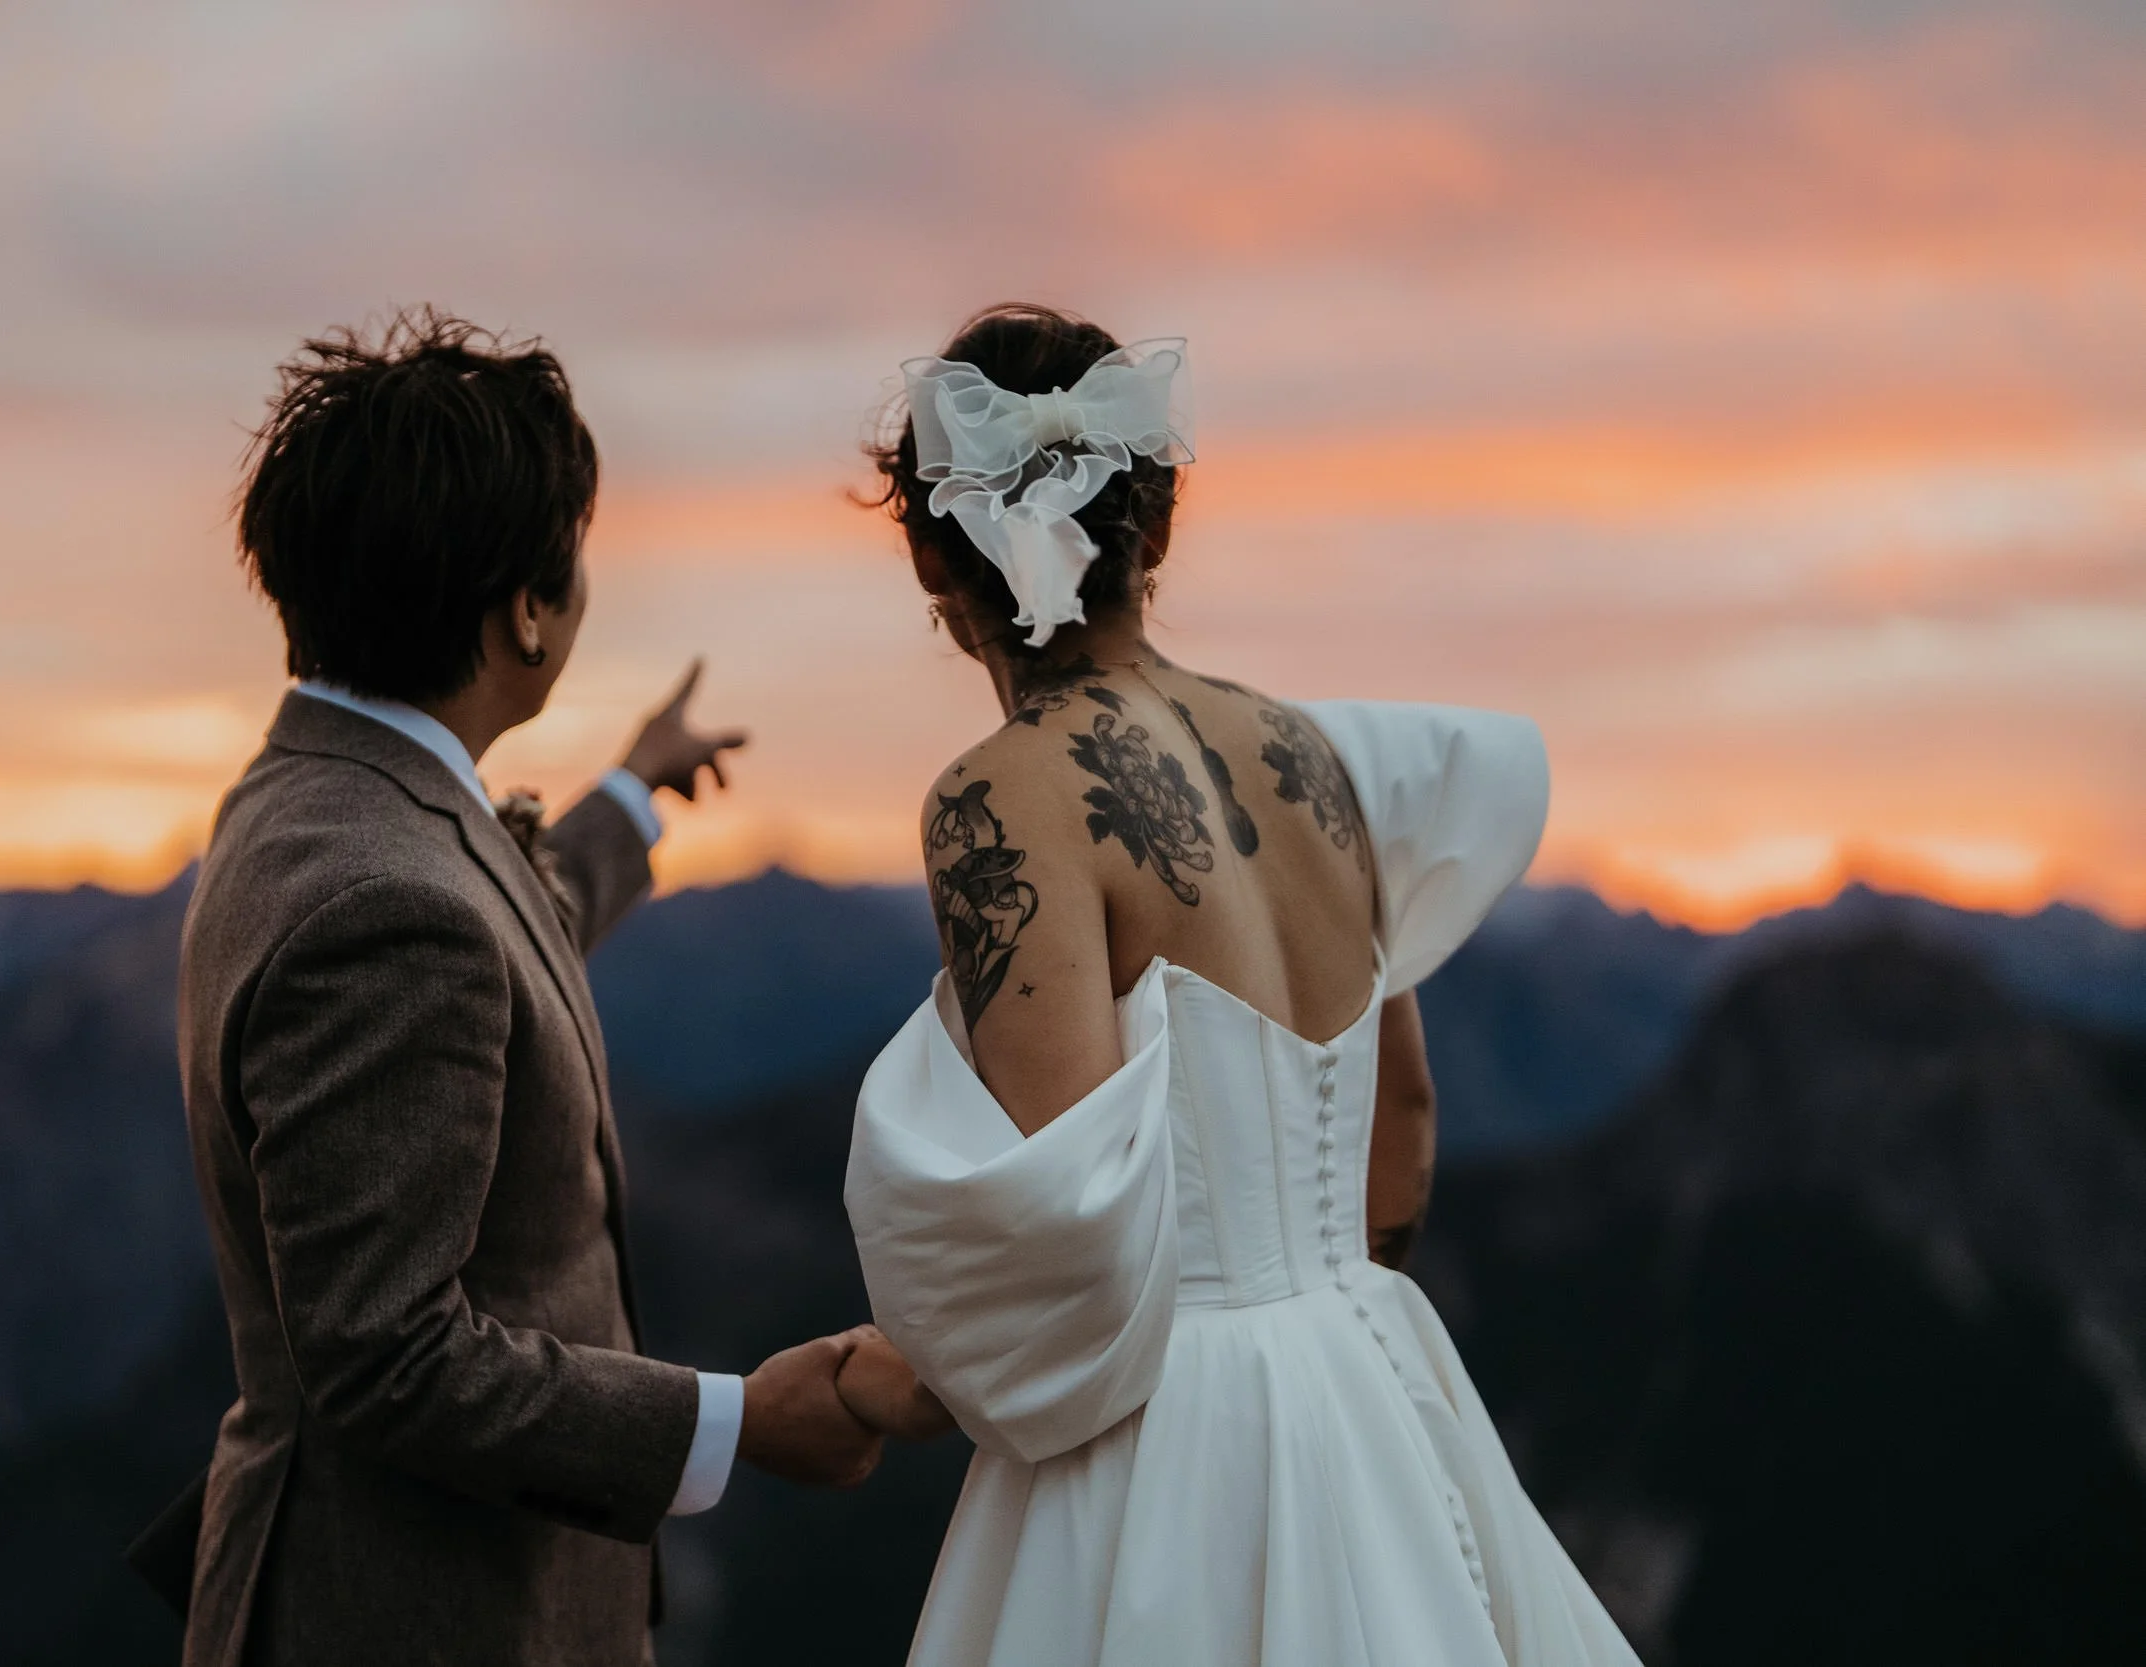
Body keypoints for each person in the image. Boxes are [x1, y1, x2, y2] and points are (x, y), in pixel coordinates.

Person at [831, 305, 1642, 1666]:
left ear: (930, 551)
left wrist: (877, 1383)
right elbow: (1406, 1133)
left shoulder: (998, 800)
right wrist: (1317, 1337)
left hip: (1164, 1450)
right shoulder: (1317, 758)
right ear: (1156, 521)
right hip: (1373, 1378)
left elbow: (1074, 1243)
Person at [157, 310, 883, 1667]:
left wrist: (632, 793)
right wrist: (737, 1422)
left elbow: (494, 927)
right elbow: (385, 1356)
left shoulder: (316, 798)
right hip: (418, 1613)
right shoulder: (389, 901)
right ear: (529, 610)